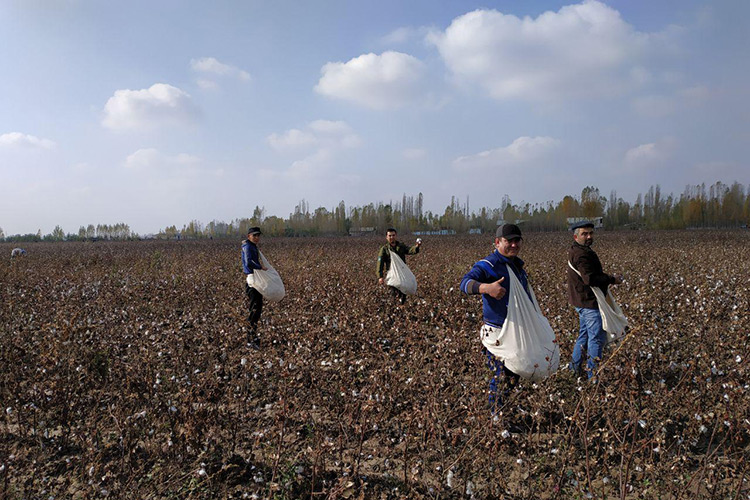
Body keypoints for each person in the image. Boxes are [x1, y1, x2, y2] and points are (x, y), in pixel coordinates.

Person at [460, 224, 529, 412]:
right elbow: (465, 284)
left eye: (517, 240)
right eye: (509, 241)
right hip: (497, 332)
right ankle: (495, 415)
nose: (514, 245)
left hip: (516, 330)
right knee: (500, 375)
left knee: (515, 372)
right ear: (498, 242)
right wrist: (486, 288)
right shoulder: (488, 265)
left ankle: (504, 408)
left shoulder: (517, 266)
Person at [566, 221, 623, 379]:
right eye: (585, 234)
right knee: (596, 338)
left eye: (591, 233)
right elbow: (589, 279)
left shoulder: (578, 250)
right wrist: (612, 279)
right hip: (588, 302)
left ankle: (573, 370)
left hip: (581, 301)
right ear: (576, 236)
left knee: (584, 336)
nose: (589, 236)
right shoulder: (581, 254)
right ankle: (593, 377)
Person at [376, 228, 421, 304]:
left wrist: (416, 247)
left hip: (401, 274)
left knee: (403, 292)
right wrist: (380, 276)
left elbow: (409, 250)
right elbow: (380, 263)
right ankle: (395, 307)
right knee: (394, 293)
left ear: (396, 236)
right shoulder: (384, 249)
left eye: (393, 235)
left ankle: (401, 306)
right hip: (392, 274)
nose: (391, 237)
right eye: (390, 236)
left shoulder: (401, 246)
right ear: (386, 237)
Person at [241, 227, 267, 348]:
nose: (257, 238)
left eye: (258, 236)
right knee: (254, 309)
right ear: (249, 236)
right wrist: (260, 267)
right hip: (252, 279)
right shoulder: (247, 247)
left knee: (257, 308)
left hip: (255, 278)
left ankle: (253, 335)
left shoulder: (252, 246)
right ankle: (249, 339)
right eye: (254, 235)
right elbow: (248, 262)